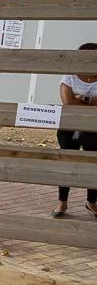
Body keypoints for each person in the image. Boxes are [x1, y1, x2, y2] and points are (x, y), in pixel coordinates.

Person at [54, 42, 97, 218]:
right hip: (69, 126)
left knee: (93, 164)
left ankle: (91, 202)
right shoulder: (70, 76)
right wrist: (90, 101)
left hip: (94, 128)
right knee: (67, 163)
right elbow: (68, 103)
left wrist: (79, 98)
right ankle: (62, 202)